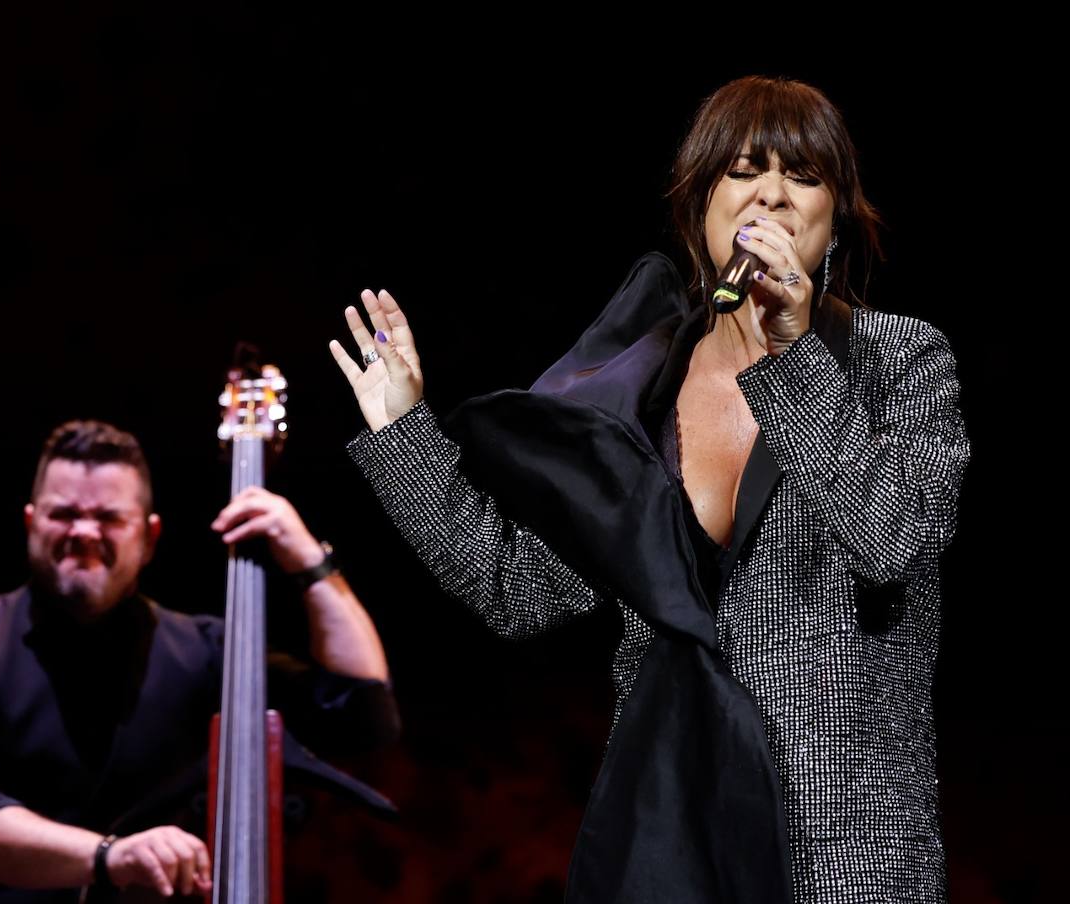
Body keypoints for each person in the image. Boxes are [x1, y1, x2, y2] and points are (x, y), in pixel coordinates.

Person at [329, 75, 970, 903]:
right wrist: (402, 429)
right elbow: (514, 588)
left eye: (803, 176)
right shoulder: (642, 385)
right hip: (672, 834)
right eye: (743, 170)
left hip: (842, 851)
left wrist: (794, 352)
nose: (771, 193)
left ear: (835, 217)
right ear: (701, 204)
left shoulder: (899, 361)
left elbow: (893, 539)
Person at [0, 419, 399, 902]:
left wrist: (309, 559)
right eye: (64, 514)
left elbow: (363, 714)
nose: (84, 532)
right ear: (31, 523)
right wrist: (109, 858)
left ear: (149, 538)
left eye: (109, 517)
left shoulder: (205, 652)